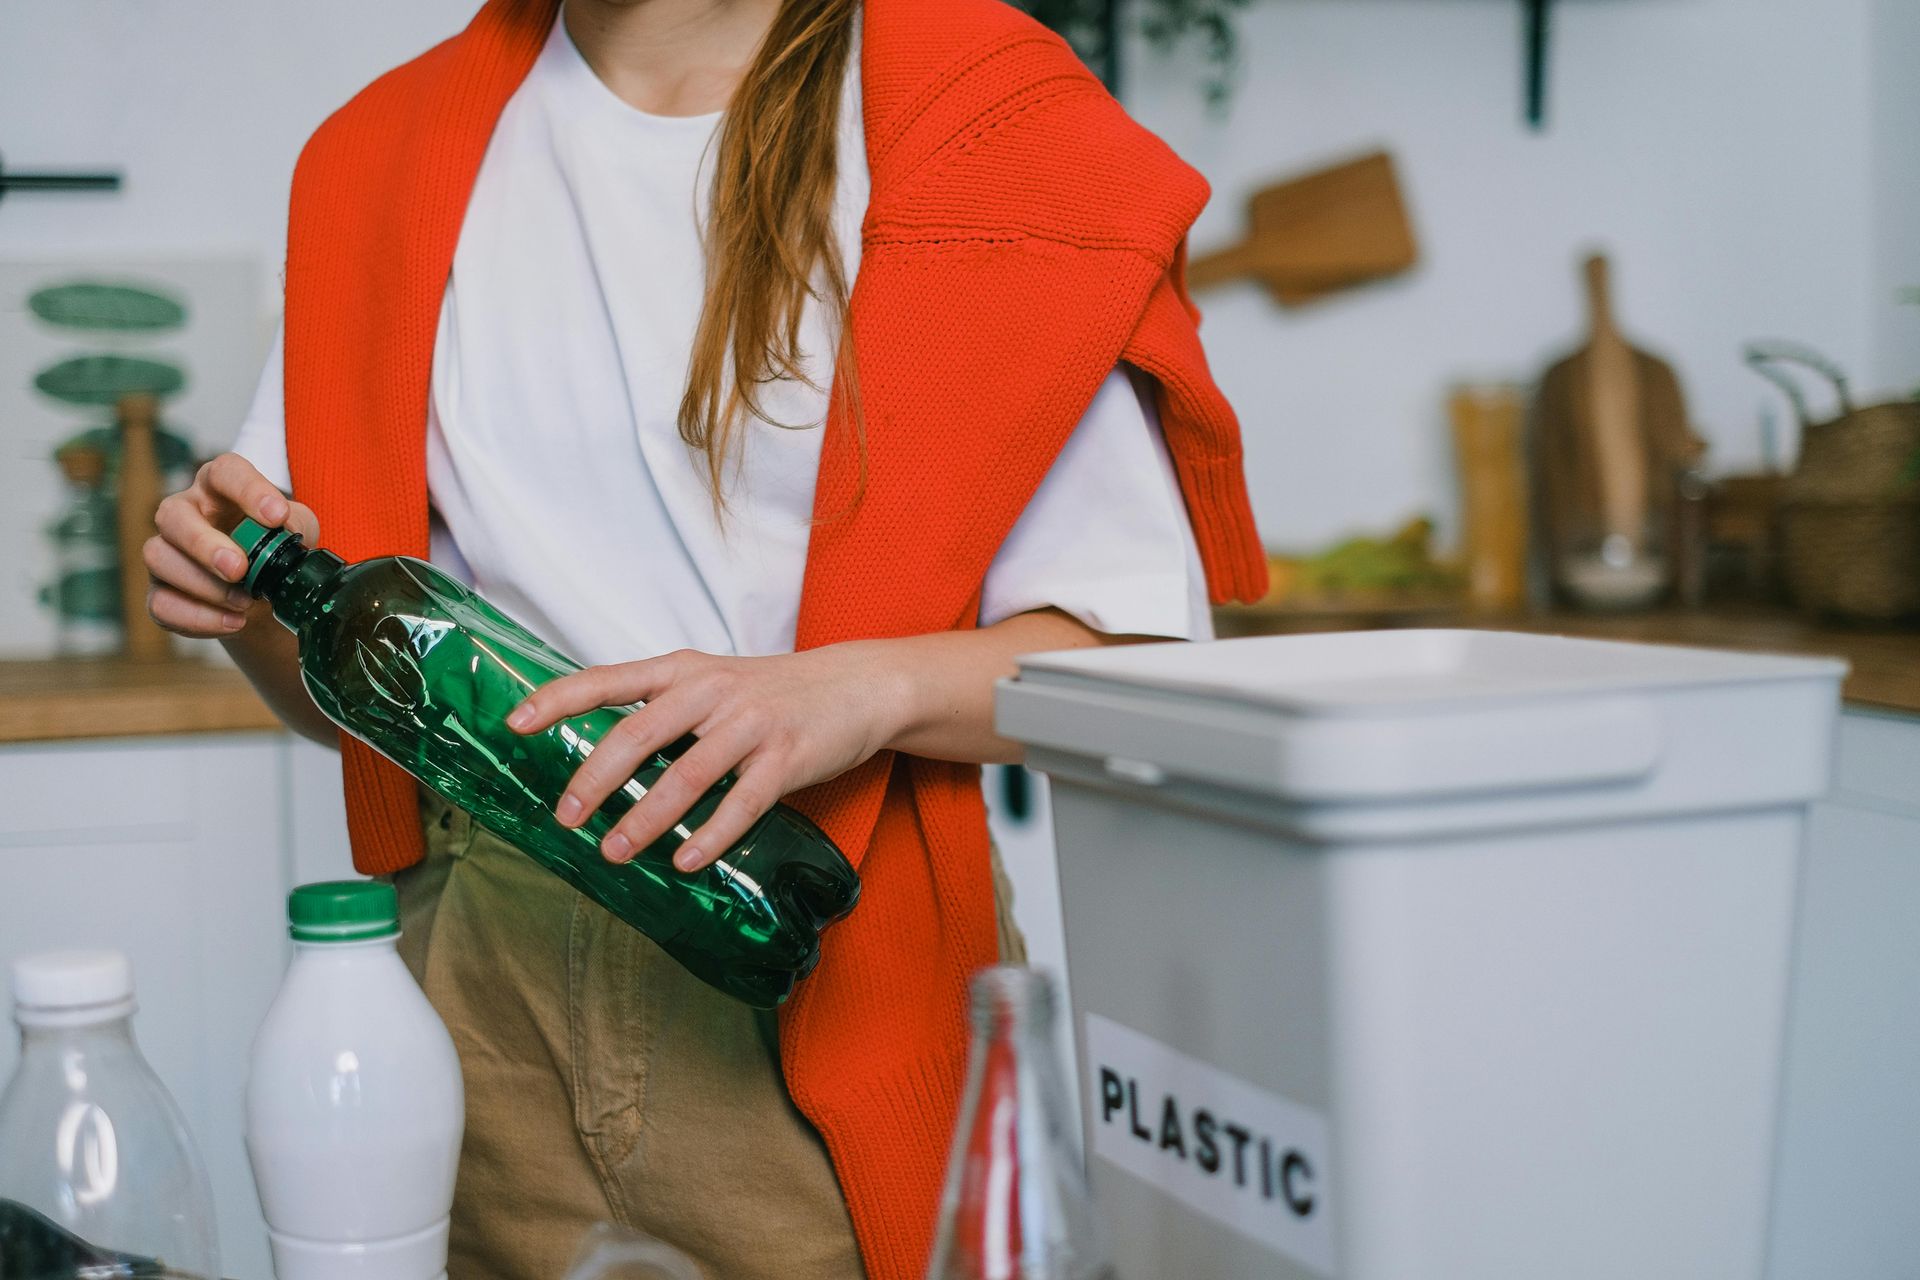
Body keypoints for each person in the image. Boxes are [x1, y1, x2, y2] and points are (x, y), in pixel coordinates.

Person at [145, 0, 1264, 1276]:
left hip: (818, 945)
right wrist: (240, 605)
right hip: (476, 974)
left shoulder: (980, 126)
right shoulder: (379, 156)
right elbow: (361, 683)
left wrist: (854, 691)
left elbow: (1138, 663)